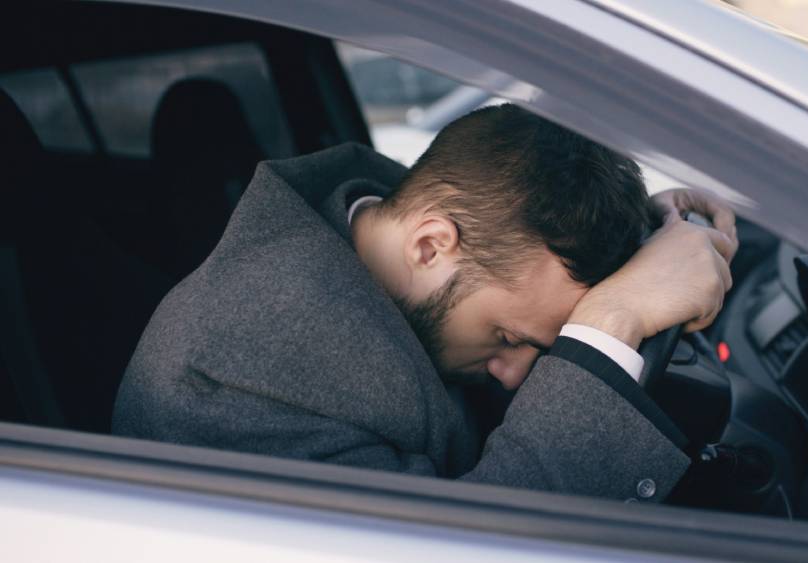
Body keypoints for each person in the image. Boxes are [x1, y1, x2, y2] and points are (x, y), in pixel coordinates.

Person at [113, 104, 737, 502]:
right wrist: (613, 321)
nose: (515, 374)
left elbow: (527, 263)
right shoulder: (235, 376)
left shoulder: (411, 233)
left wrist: (636, 242)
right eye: (508, 337)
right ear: (430, 245)